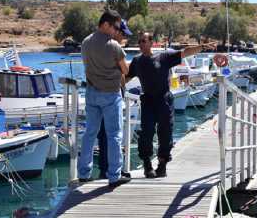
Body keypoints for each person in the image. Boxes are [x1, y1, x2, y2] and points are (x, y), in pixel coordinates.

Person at [125, 32, 215, 178]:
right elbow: (126, 78)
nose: (141, 44)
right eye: (139, 41)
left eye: (143, 41)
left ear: (151, 43)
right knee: (146, 133)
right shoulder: (137, 61)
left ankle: (162, 165)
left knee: (165, 133)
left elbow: (185, 52)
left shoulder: (164, 57)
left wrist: (202, 47)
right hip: (147, 100)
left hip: (164, 100)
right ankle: (147, 165)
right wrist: (110, 85)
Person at [78, 10, 130, 188]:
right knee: (114, 135)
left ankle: (84, 173)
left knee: (90, 133)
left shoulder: (85, 43)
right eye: (115, 27)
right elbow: (125, 70)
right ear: (105, 24)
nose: (117, 30)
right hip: (111, 94)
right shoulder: (114, 46)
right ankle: (114, 176)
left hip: (92, 92)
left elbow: (86, 68)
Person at [97, 19, 132, 179]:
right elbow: (123, 70)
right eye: (123, 34)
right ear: (116, 31)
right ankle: (109, 171)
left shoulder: (108, 47)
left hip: (113, 94)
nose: (124, 38)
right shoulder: (111, 48)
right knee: (109, 134)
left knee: (110, 134)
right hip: (108, 95)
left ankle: (110, 169)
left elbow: (123, 74)